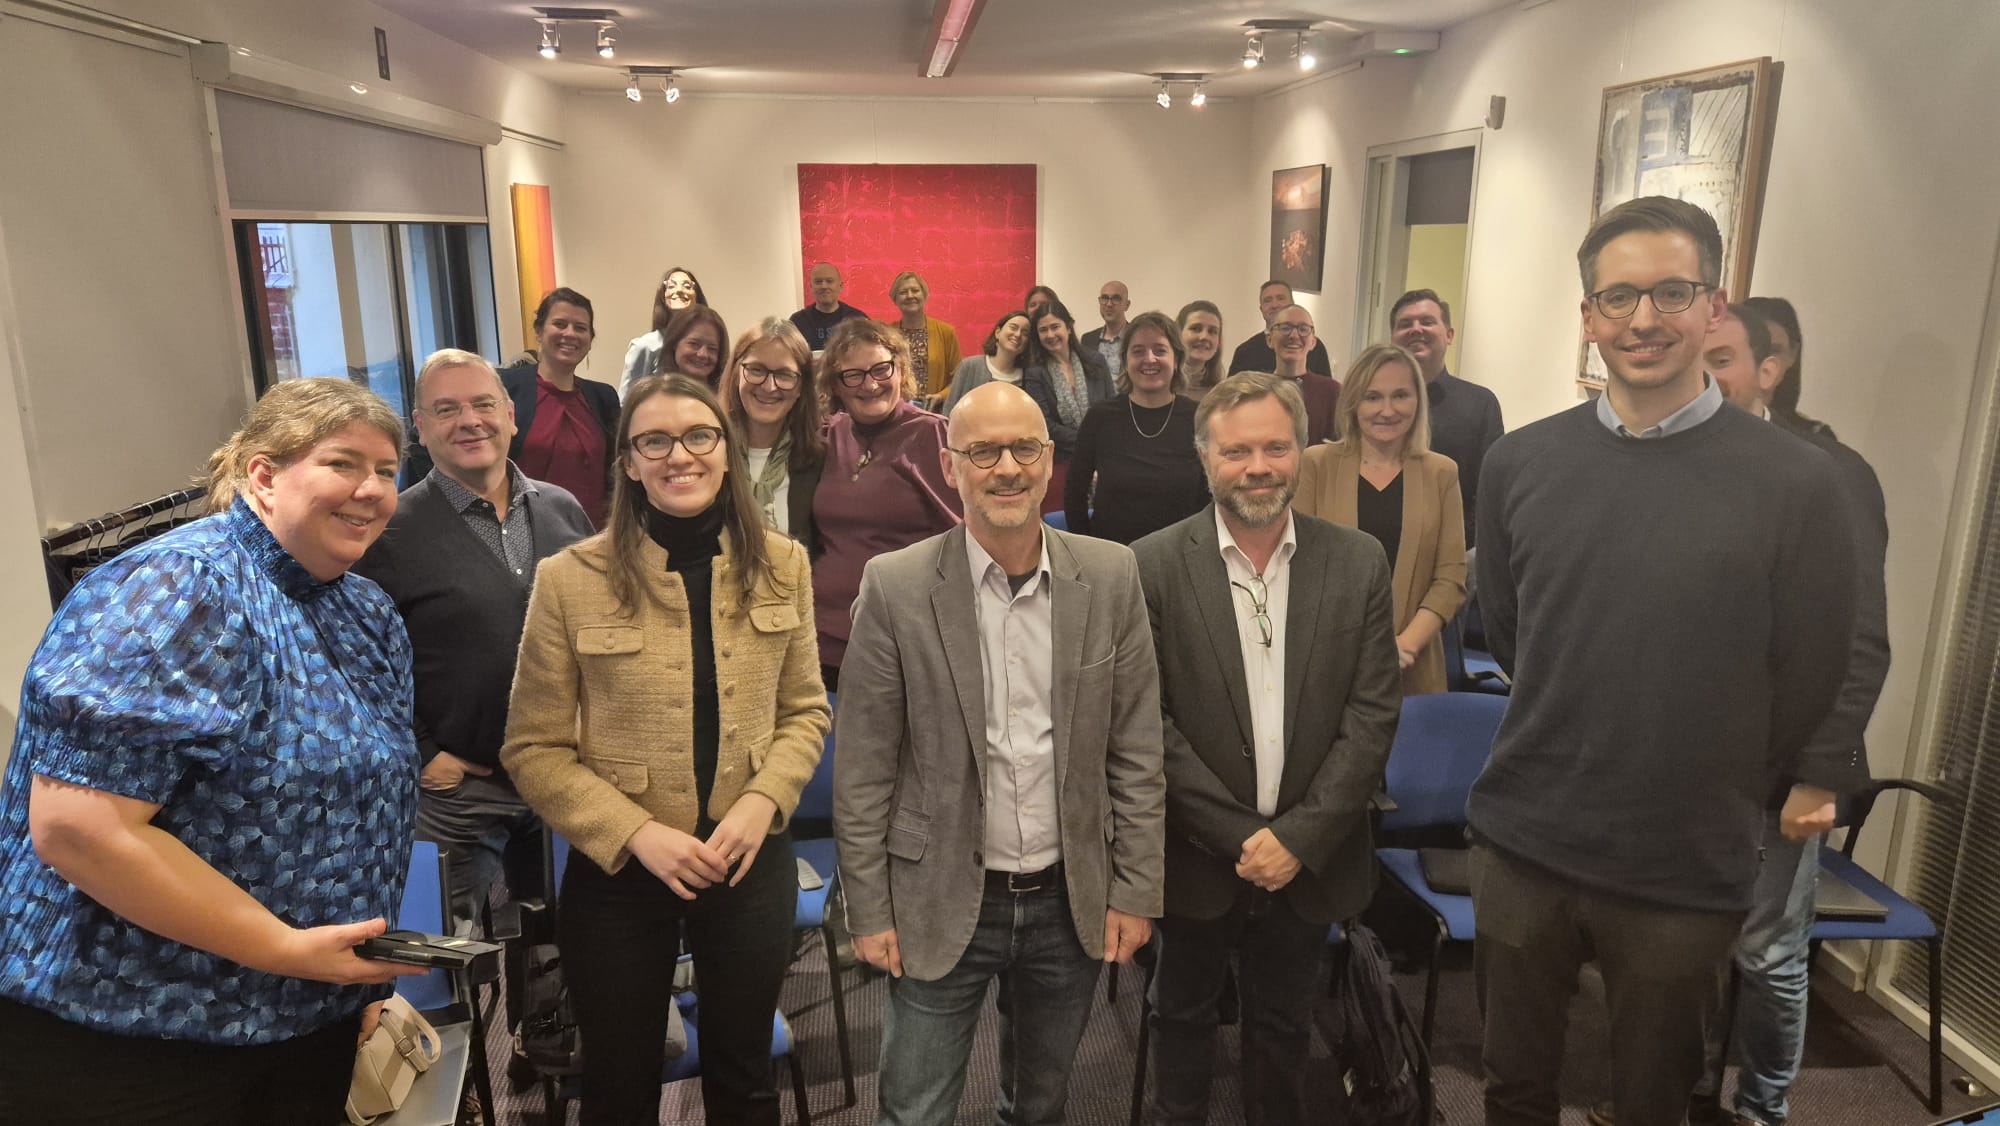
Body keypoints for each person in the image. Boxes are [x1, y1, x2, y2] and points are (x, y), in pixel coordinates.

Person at [1469, 196, 1864, 1126]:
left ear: (1714, 307)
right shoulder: (1519, 464)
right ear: (1588, 316)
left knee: (1652, 1101)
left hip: (1684, 859)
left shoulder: (1800, 484)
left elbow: (1816, 663)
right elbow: (1518, 632)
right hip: (1527, 839)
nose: (1642, 320)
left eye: (1670, 293)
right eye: (1618, 298)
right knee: (1514, 1089)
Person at [0, 377, 425, 1122]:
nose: (370, 490)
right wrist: (284, 950)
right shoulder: (176, 586)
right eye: (343, 463)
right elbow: (78, 829)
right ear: (263, 474)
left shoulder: (364, 610)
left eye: (387, 471)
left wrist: (355, 982)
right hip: (134, 1038)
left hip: (298, 1021)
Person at [833, 382, 1165, 1126]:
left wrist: (1136, 889)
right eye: (984, 451)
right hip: (939, 892)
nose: (1005, 468)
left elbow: (1137, 749)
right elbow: (863, 767)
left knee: (1040, 1106)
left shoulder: (1111, 576)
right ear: (951, 465)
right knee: (914, 1112)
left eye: (1024, 449)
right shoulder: (896, 586)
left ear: (1052, 462)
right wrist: (868, 907)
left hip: (1069, 894)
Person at [502, 374, 830, 1126]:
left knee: (745, 1073)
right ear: (629, 461)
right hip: (621, 870)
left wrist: (763, 801)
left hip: (748, 858)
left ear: (725, 451)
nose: (678, 455)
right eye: (655, 440)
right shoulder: (569, 580)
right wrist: (638, 834)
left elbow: (806, 709)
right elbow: (534, 747)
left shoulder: (784, 565)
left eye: (698, 436)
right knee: (619, 1082)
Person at [1132, 372, 1401, 1126]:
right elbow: (1144, 724)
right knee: (1180, 1017)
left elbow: (1373, 714)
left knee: (1286, 1028)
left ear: (1302, 452)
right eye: (1237, 450)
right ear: (1205, 458)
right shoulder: (1149, 564)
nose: (1258, 466)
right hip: (1194, 855)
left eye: (1276, 447)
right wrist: (1242, 836)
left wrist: (1296, 839)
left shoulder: (1357, 562)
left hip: (1309, 856)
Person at [1661, 302, 1887, 1126]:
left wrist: (1819, 772)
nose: (1705, 375)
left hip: (1780, 775)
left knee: (1766, 950)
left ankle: (1761, 1112)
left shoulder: (1828, 473)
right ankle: (1680, 1093)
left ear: (1770, 369)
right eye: (1698, 358)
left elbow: (1860, 641)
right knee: (1685, 942)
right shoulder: (1682, 464)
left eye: (1721, 358)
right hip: (1685, 763)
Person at [355, 349, 595, 928]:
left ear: (511, 415)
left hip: (567, 773)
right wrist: (423, 753)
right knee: (438, 953)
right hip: (459, 792)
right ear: (420, 427)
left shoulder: (563, 509)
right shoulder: (389, 532)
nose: (470, 421)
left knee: (575, 938)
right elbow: (360, 662)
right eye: (447, 409)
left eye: (483, 404)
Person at [1293, 343, 1466, 695]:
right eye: (1372, 397)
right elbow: (1297, 565)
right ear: (1353, 403)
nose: (1387, 410)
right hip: (1327, 664)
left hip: (1413, 669)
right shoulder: (1316, 463)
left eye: (1400, 395)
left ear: (1418, 401)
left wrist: (1405, 645)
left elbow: (1450, 578)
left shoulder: (1442, 472)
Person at [811, 317, 962, 689]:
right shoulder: (829, 436)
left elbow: (964, 539)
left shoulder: (932, 433)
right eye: (854, 375)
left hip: (902, 643)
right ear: (836, 386)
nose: (871, 383)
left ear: (901, 369)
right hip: (824, 642)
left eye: (881, 368)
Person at [1065, 310, 1208, 544]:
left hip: (1180, 559)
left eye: (1160, 350)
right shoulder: (1100, 418)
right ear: (1125, 360)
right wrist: (1088, 551)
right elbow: (1074, 492)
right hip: (1114, 560)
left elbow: (1209, 497)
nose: (1149, 359)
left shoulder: (1198, 417)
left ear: (1177, 359)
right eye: (1138, 351)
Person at [1389, 288, 1502, 547]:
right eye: (1405, 324)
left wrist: (1463, 550)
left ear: (1449, 335)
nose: (1416, 329)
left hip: (1452, 550)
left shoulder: (1481, 404)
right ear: (1393, 338)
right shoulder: (1369, 403)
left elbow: (1489, 491)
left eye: (1427, 322)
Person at [502, 288, 621, 530]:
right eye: (560, 324)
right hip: (524, 536)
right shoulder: (504, 388)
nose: (570, 334)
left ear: (590, 339)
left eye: (580, 327)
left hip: (591, 537)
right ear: (538, 331)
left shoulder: (604, 397)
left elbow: (615, 472)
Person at [720, 317, 825, 544]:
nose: (769, 386)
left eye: (785, 375)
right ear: (737, 373)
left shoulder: (820, 460)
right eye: (757, 369)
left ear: (800, 387)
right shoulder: (708, 453)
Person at [1022, 299, 1114, 515]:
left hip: (1105, 459)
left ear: (1068, 327)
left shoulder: (1096, 361)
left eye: (1055, 327)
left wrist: (1098, 446)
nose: (1050, 334)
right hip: (1063, 462)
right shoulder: (1036, 372)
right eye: (1043, 330)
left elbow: (1112, 407)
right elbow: (1044, 424)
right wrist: (1087, 442)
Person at [1741, 295, 1835, 436]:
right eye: (1752, 348)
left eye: (1774, 351)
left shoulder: (1814, 438)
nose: (1764, 363)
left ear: (1793, 354)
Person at [1261, 304, 1341, 446]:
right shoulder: (1257, 389)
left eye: (1303, 329)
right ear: (1269, 339)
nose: (1294, 335)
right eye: (1285, 328)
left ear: (1313, 342)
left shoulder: (1333, 392)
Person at [622, 265, 709, 386]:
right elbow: (627, 400)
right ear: (663, 296)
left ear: (697, 296)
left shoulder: (708, 347)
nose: (679, 290)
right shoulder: (645, 346)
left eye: (687, 286)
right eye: (671, 286)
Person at [1228, 280, 1332, 376]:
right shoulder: (1245, 352)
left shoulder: (1314, 348)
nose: (1274, 305)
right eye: (1267, 300)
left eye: (1280, 298)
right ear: (1261, 309)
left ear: (1293, 303)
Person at [940, 309, 1032, 416]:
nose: (1018, 334)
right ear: (998, 332)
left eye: (1025, 332)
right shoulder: (970, 366)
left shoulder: (1029, 377)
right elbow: (949, 411)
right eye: (1013, 327)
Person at [889, 270, 963, 403]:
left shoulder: (946, 332)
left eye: (915, 290)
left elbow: (958, 377)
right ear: (895, 299)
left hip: (935, 412)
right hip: (898, 411)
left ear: (924, 295)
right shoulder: (888, 334)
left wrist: (940, 396)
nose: (910, 296)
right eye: (903, 292)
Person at [642, 304, 731, 392]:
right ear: (674, 343)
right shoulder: (653, 396)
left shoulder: (726, 401)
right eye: (694, 344)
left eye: (712, 348)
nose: (703, 354)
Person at [790, 262, 869, 351]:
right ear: (811, 287)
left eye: (829, 281)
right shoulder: (797, 322)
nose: (824, 286)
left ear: (840, 286)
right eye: (818, 282)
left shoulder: (858, 320)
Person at [1079, 279, 1132, 381]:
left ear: (1127, 305)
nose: (1108, 304)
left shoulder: (1135, 337)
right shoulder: (1087, 340)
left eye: (1116, 298)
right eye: (1104, 298)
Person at [1177, 299, 1227, 400]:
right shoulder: (1159, 388)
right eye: (1196, 328)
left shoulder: (1223, 395)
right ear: (1177, 334)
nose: (1204, 337)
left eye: (1212, 331)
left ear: (1218, 343)